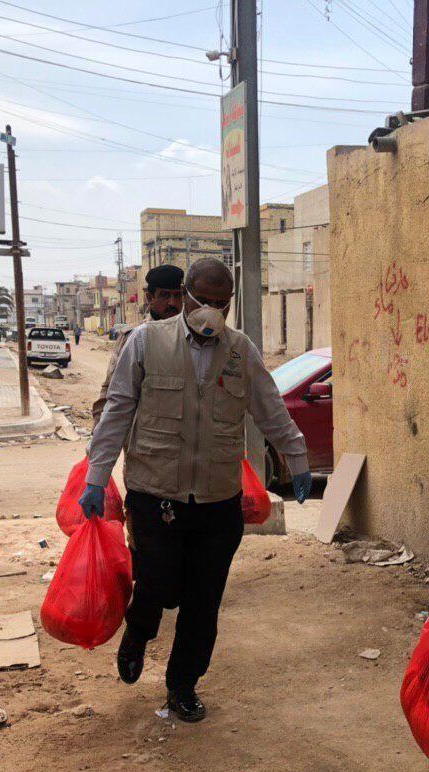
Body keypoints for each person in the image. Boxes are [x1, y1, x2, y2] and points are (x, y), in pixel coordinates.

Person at [82, 257, 313, 722]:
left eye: (221, 303)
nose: (211, 311)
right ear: (185, 296)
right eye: (203, 300)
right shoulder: (146, 342)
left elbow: (270, 409)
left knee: (203, 602)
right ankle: (138, 633)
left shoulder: (240, 351)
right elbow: (118, 408)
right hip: (156, 494)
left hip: (216, 500)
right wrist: (96, 475)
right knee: (156, 585)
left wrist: (298, 457)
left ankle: (182, 686)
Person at [91, 264, 185, 428]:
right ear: (150, 297)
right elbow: (111, 390)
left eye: (177, 296)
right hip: (141, 435)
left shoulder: (189, 337)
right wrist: (99, 431)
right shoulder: (133, 337)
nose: (172, 302)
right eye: (164, 295)